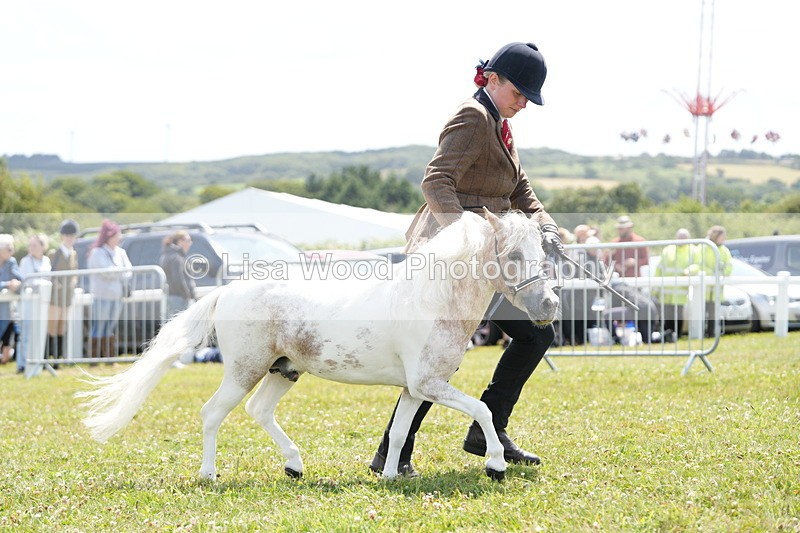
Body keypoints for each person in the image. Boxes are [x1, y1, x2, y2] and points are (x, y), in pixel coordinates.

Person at [368, 42, 563, 477]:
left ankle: (487, 428)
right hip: (453, 259)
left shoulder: (501, 126)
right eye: (519, 93)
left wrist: (546, 226)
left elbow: (520, 190)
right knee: (440, 357)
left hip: (490, 263)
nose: (523, 103)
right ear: (492, 79)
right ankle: (392, 454)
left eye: (529, 98)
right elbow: (436, 181)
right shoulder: (473, 117)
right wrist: (465, 238)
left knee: (534, 334)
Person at [87, 219, 132, 360]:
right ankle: (94, 358)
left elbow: (129, 271)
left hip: (117, 296)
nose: (119, 238)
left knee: (110, 327)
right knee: (98, 327)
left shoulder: (121, 252)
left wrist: (116, 271)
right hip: (102, 296)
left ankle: (109, 358)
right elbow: (105, 272)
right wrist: (119, 271)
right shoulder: (97, 253)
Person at [18, 233, 53, 373]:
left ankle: (37, 360)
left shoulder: (46, 261)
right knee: (26, 332)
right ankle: (22, 363)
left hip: (41, 302)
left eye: (35, 245)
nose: (32, 248)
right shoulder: (26, 261)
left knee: (39, 332)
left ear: (42, 247)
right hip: (29, 301)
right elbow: (27, 280)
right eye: (30, 245)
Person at [46, 219, 80, 364]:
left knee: (62, 326)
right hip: (55, 296)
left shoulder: (73, 254)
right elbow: (50, 273)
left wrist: (73, 284)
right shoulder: (55, 253)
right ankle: (48, 356)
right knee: (52, 327)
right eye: (67, 235)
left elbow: (75, 273)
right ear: (62, 236)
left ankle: (58, 357)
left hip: (67, 296)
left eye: (72, 236)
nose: (69, 238)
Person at [655, 228, 699, 340]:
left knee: (678, 314)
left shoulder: (693, 251)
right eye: (680, 237)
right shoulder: (668, 250)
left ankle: (677, 335)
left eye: (684, 238)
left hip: (680, 292)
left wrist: (688, 271)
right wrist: (655, 288)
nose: (682, 240)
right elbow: (659, 269)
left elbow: (698, 265)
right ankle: (666, 335)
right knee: (666, 314)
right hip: (666, 291)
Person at [699, 225, 733, 337]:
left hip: (716, 291)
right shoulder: (703, 247)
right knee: (702, 313)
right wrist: (711, 274)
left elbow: (729, 266)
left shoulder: (724, 250)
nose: (724, 239)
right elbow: (699, 264)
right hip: (704, 289)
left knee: (713, 313)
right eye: (722, 236)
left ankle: (712, 333)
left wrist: (722, 273)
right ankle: (701, 333)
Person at [159, 230, 196, 319]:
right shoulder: (176, 257)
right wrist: (187, 294)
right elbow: (178, 279)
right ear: (180, 242)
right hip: (179, 298)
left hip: (172, 296)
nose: (190, 243)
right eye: (188, 240)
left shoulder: (167, 255)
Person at [0, 234, 23, 368]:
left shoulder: (11, 263)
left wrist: (17, 283)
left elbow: (21, 279)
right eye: (9, 249)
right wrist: (6, 284)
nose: (12, 252)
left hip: (6, 312)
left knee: (8, 336)